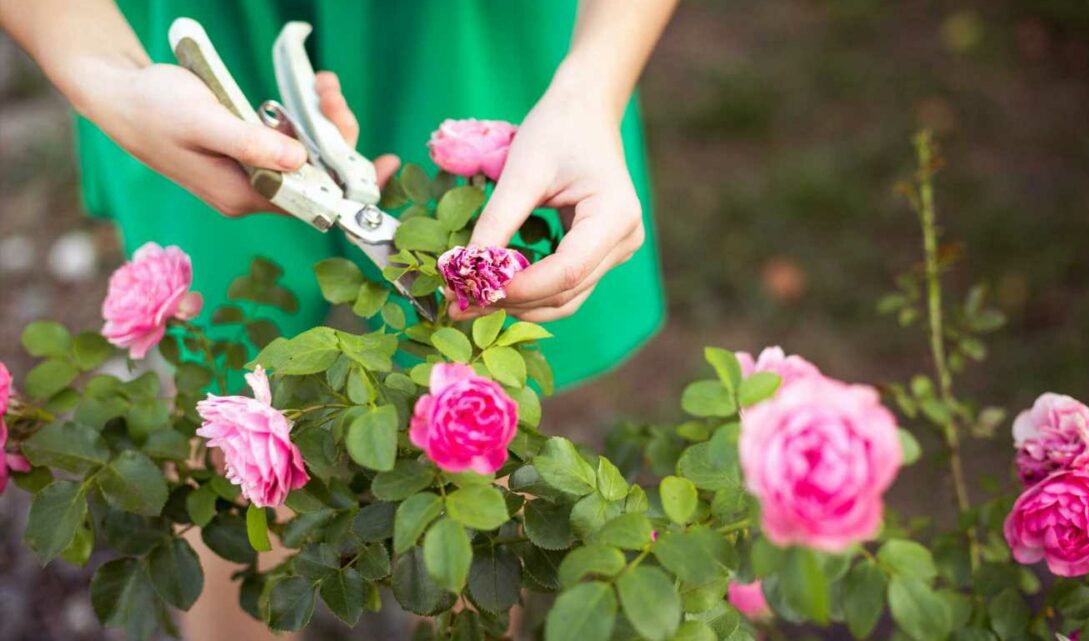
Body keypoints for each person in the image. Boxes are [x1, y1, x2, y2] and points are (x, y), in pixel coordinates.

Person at [1, 0, 676, 638]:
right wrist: (108, 75)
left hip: (460, 23)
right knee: (228, 425)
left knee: (474, 442)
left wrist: (592, 86)